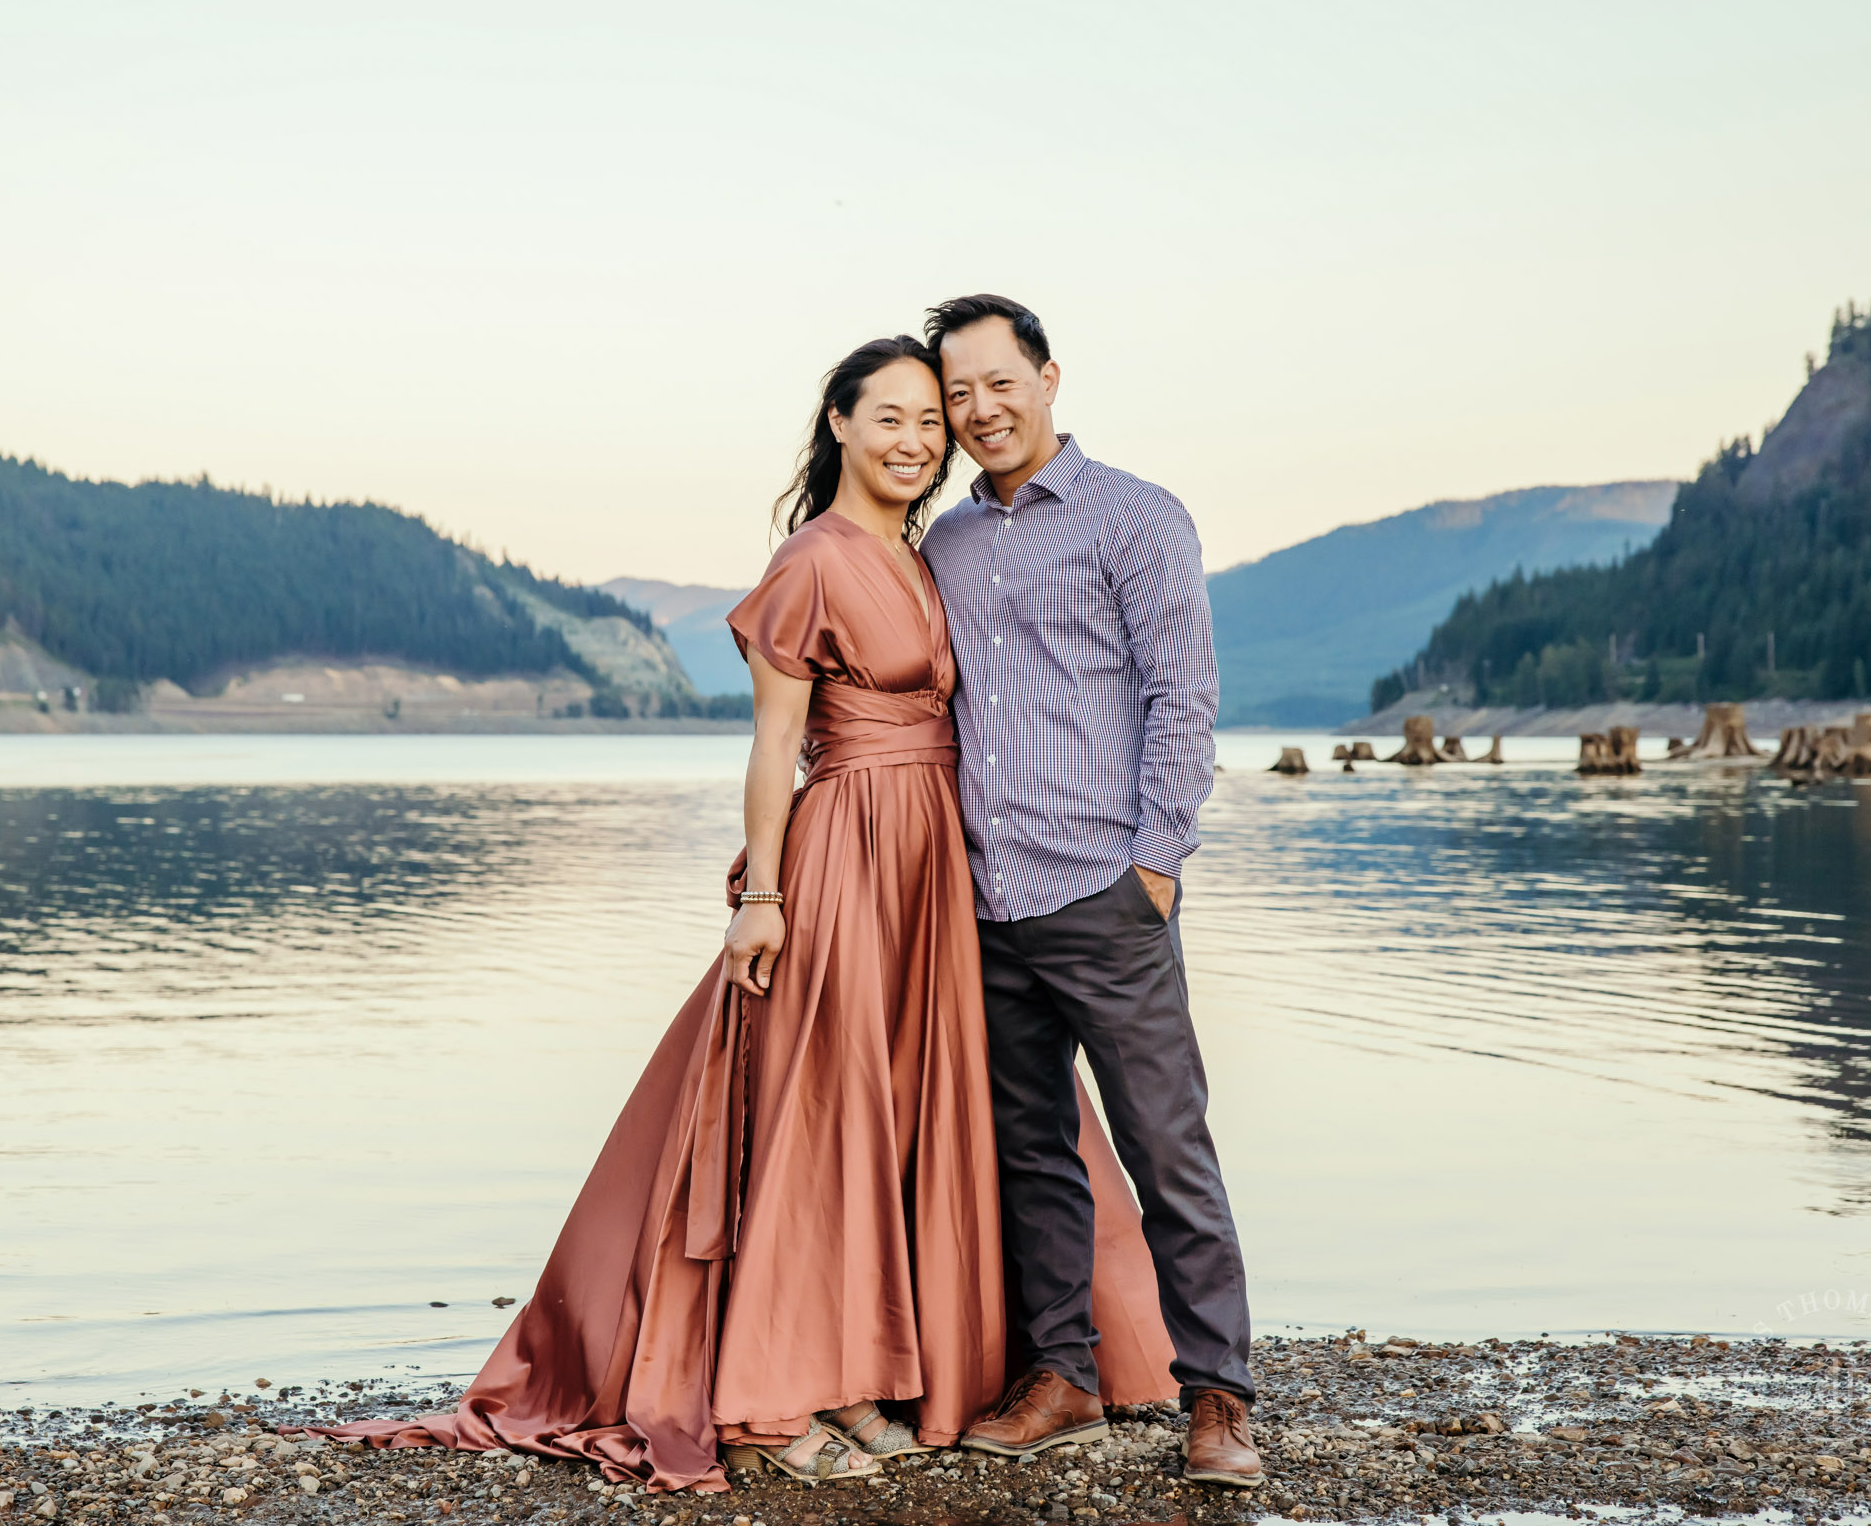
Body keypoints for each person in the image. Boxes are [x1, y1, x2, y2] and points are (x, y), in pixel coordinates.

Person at [293, 336, 1178, 1492]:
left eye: (932, 421)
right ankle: (774, 1393)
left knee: (909, 1112)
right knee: (830, 1115)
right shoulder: (815, 559)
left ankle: (875, 1374)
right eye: (892, 419)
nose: (918, 440)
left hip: (935, 861)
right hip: (852, 853)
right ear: (841, 426)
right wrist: (763, 895)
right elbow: (773, 742)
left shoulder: (922, 552)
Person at [918, 294, 1263, 1489]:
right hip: (987, 899)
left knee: (1167, 1144)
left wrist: (1157, 864)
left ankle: (1219, 1396)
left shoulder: (1137, 517)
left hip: (1105, 892)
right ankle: (1060, 1375)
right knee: (1030, 1150)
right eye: (958, 393)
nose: (978, 411)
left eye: (998, 384)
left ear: (1050, 377)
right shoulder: (946, 545)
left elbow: (1184, 698)